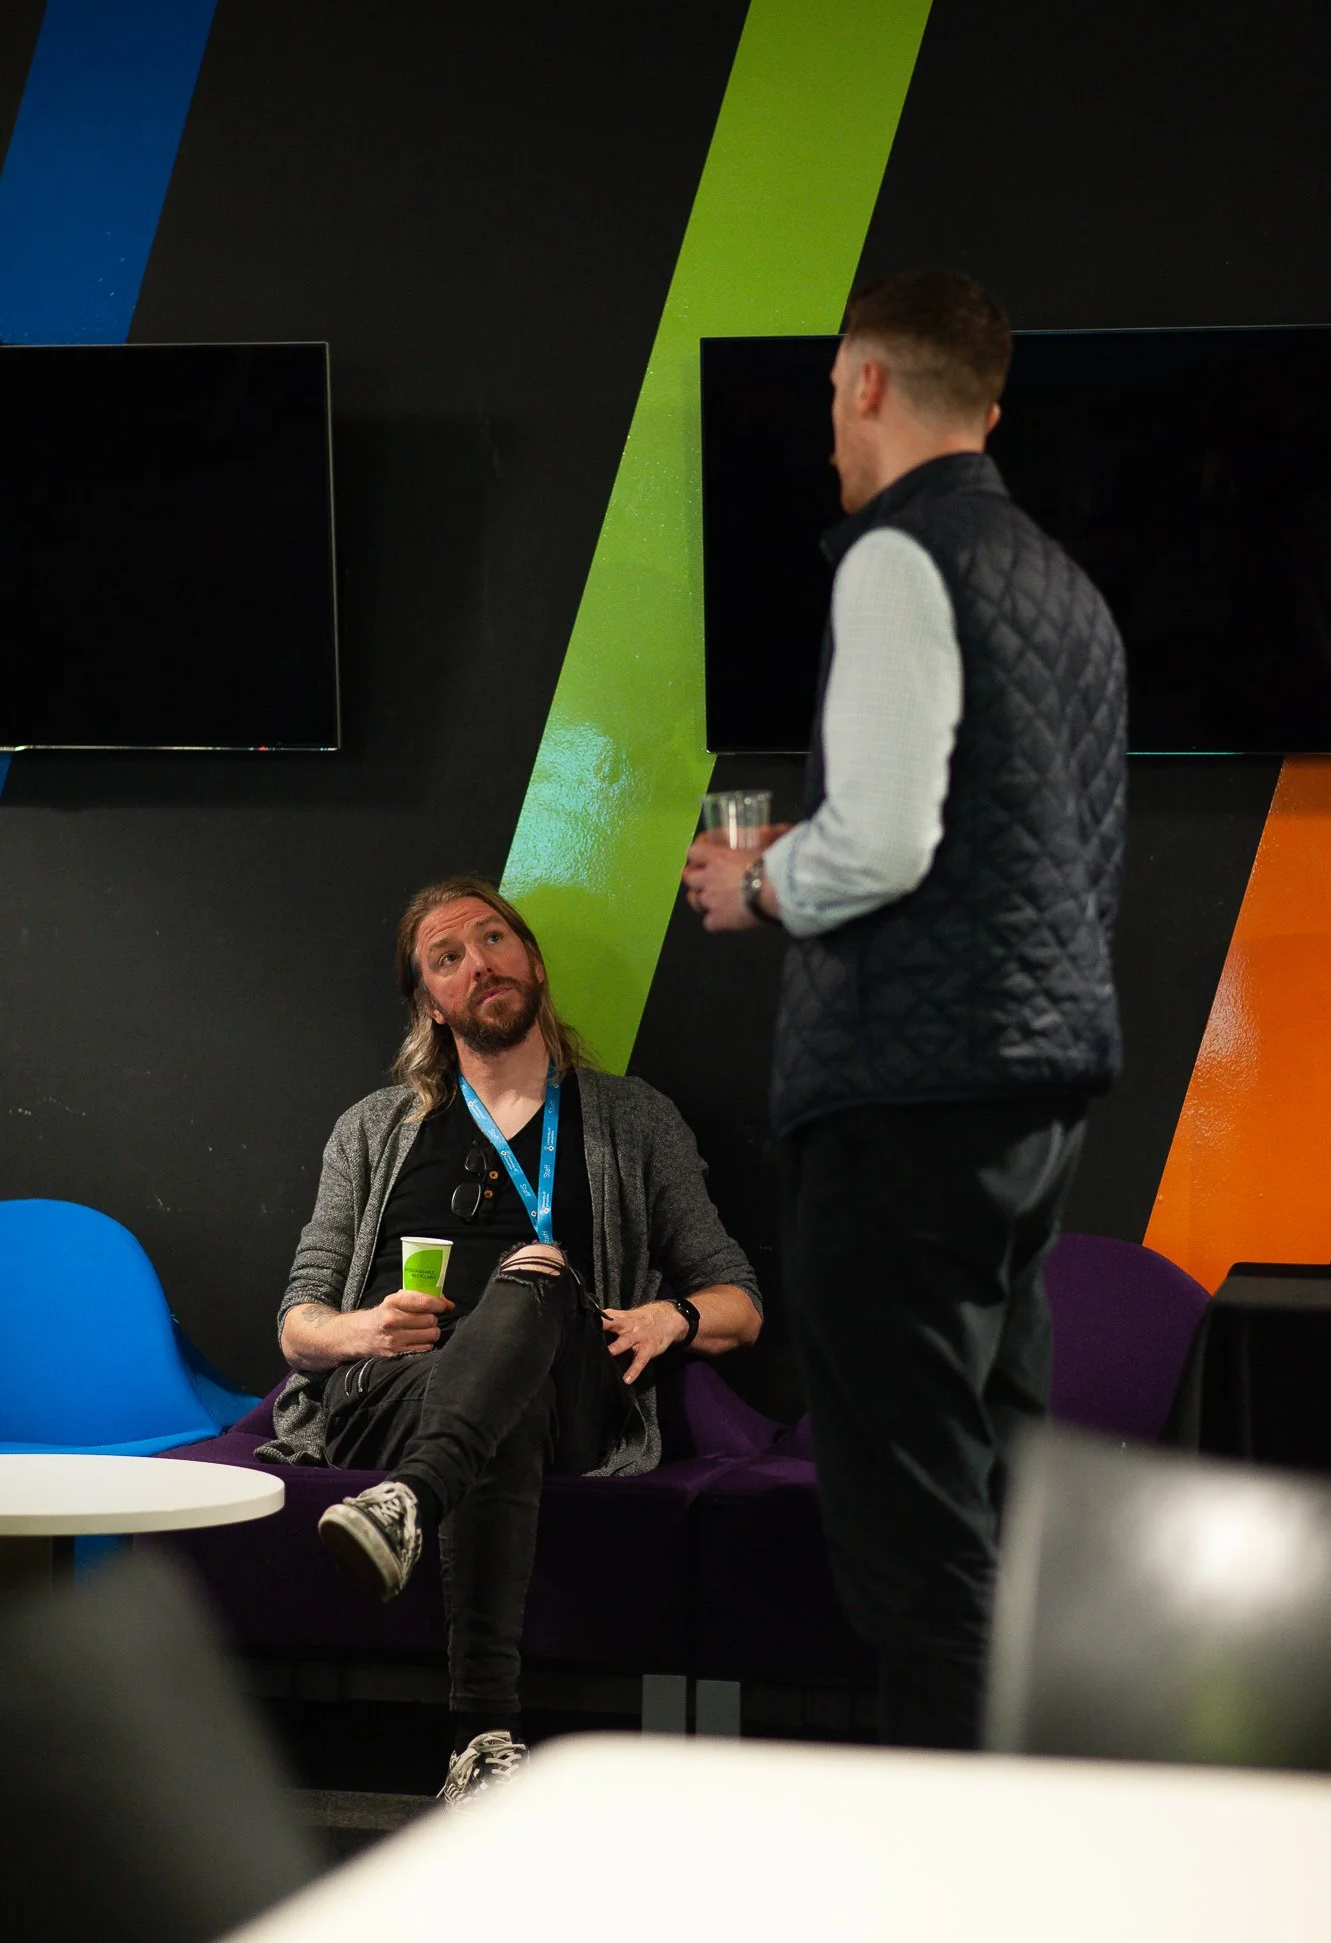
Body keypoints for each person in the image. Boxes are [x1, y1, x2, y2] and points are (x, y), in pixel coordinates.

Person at [682, 269, 1127, 1751]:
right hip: (1028, 1093)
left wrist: (757, 881)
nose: (827, 426)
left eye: (828, 394)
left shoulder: (894, 556)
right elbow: (1028, 850)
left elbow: (878, 845)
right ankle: (1033, 1825)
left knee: (913, 1532)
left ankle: (952, 1850)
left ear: (867, 383)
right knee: (999, 1485)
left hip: (903, 1096)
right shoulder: (1063, 586)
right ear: (988, 407)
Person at [258, 876, 762, 1802]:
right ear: (429, 1003)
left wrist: (673, 1316)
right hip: (393, 1393)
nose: (478, 964)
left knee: (537, 1271)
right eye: (447, 957)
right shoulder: (372, 1130)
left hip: (569, 1390)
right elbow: (299, 1324)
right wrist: (365, 1327)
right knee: (503, 1412)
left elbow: (740, 1301)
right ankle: (481, 1739)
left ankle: (410, 1502)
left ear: (530, 961)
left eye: (493, 939)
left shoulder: (632, 1119)